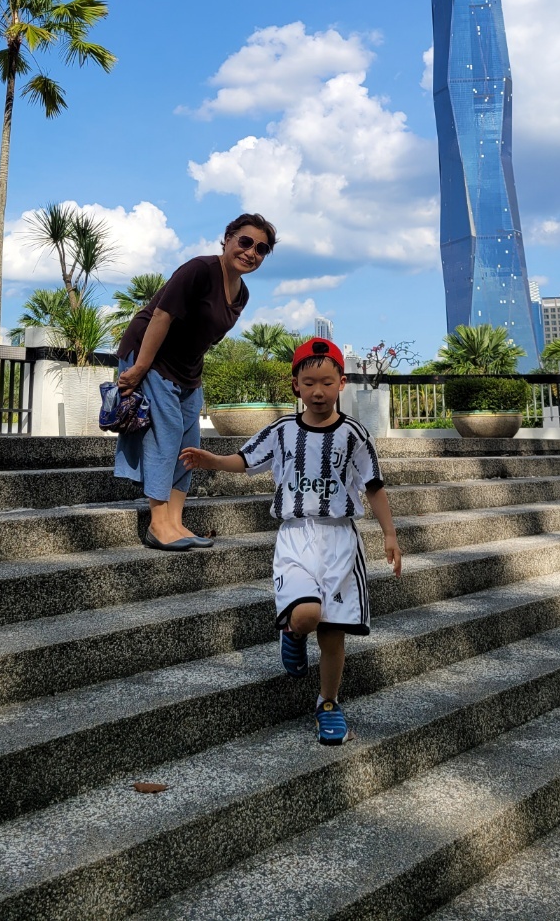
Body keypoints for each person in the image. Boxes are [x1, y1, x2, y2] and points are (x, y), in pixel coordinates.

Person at [182, 336, 402, 746]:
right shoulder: (282, 431)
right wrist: (212, 460)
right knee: (306, 616)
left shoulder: (354, 434)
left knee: (333, 634)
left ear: (341, 384)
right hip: (296, 537)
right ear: (296, 386)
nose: (318, 391)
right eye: (309, 382)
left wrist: (389, 534)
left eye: (327, 382)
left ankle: (328, 703)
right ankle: (293, 633)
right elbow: (245, 460)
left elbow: (373, 484)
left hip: (340, 540)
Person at [115, 213, 276, 551]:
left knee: (190, 441)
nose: (251, 252)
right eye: (245, 242)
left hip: (187, 369)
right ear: (228, 239)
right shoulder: (200, 270)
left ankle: (175, 522)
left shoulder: (242, 294)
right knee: (167, 434)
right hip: (151, 356)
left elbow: (202, 337)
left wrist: (192, 378)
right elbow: (161, 315)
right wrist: (140, 367)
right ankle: (158, 524)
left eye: (261, 249)